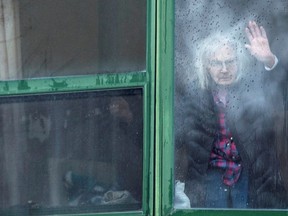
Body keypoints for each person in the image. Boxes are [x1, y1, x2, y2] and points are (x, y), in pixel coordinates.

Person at [175, 21, 287, 209]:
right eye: (217, 63)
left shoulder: (254, 86)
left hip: (251, 176)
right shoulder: (195, 94)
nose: (224, 69)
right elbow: (173, 135)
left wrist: (269, 61)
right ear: (206, 67)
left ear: (239, 62)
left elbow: (281, 93)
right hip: (209, 176)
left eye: (230, 61)